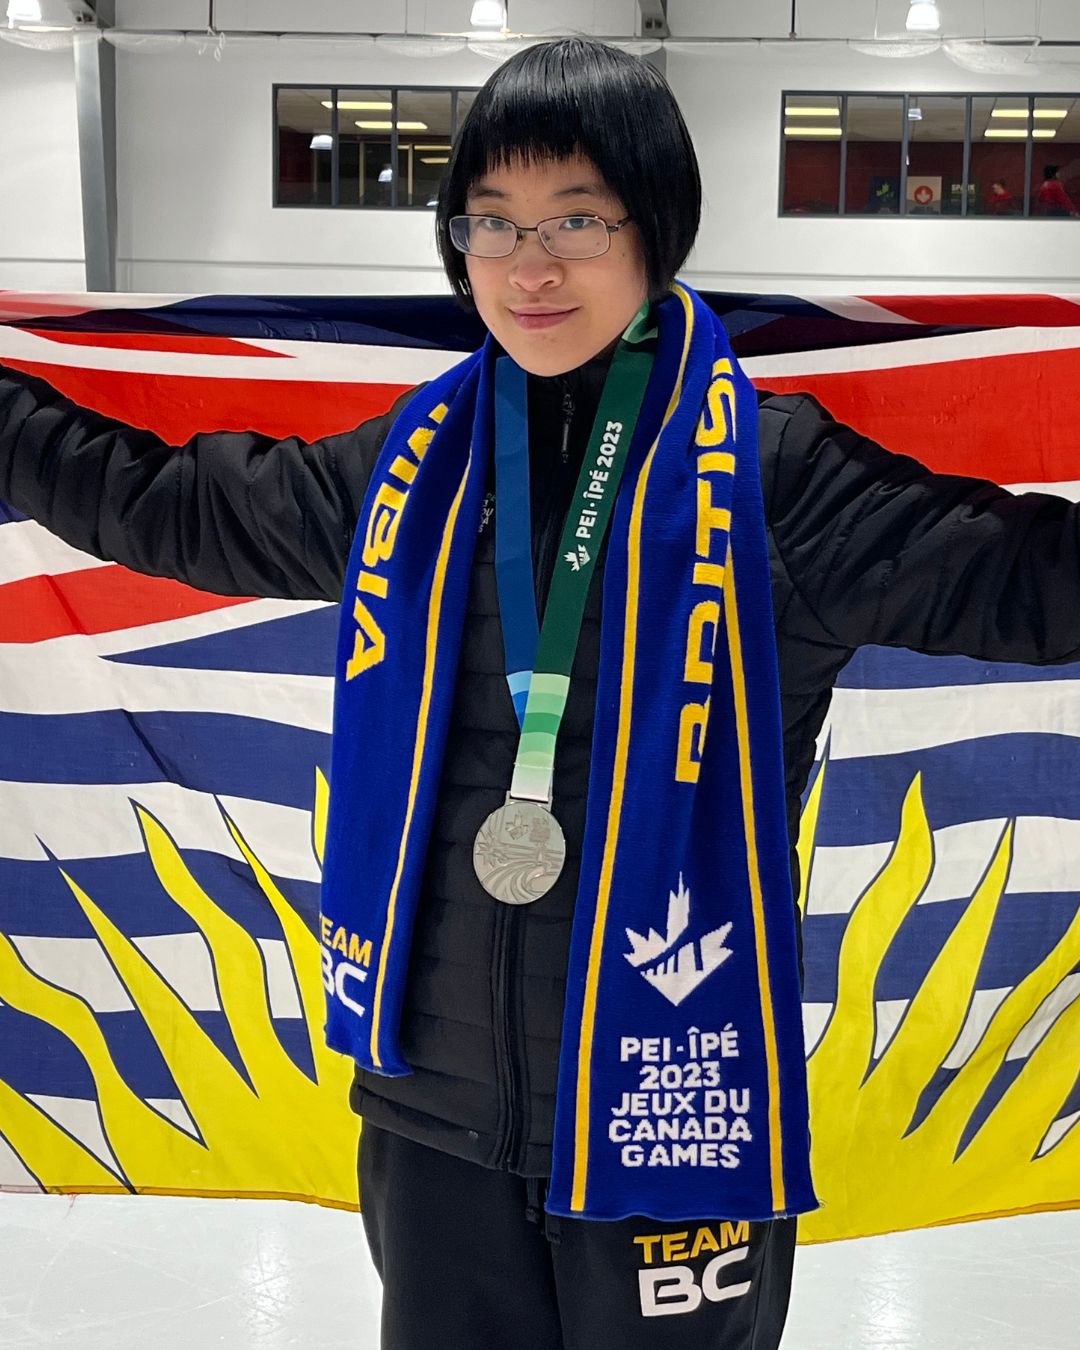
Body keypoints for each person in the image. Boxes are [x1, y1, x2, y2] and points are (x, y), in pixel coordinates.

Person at [2, 36, 1080, 1350]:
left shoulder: (781, 486)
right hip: (432, 1107)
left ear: (655, 227)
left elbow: (1032, 585)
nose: (529, 265)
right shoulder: (410, 469)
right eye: (492, 223)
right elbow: (169, 505)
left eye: (577, 217)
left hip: (673, 1115)